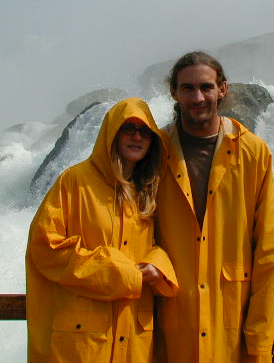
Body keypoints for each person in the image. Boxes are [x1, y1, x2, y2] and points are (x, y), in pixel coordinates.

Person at [26, 97, 178, 363]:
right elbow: (45, 246)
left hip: (134, 337)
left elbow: (167, 242)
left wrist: (158, 265)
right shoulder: (75, 181)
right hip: (82, 340)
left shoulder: (150, 188)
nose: (137, 137)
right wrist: (115, 271)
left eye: (145, 131)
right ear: (112, 133)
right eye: (128, 128)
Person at [154, 52, 274, 362]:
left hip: (232, 323)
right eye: (187, 88)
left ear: (222, 89)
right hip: (168, 321)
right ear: (174, 92)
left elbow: (268, 249)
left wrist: (260, 340)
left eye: (206, 87)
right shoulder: (154, 151)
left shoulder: (253, 152)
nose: (197, 97)